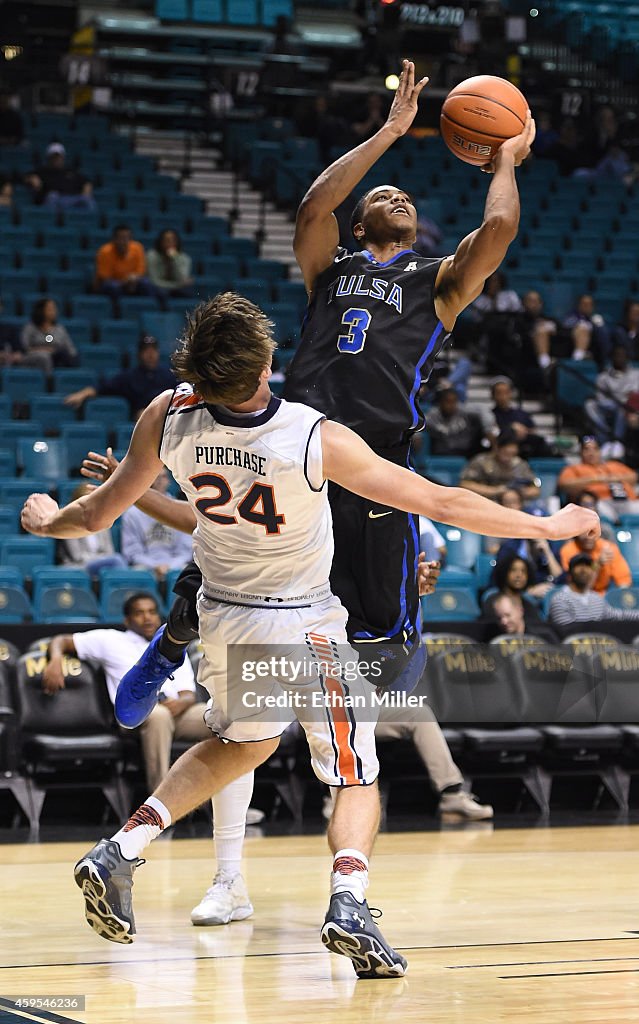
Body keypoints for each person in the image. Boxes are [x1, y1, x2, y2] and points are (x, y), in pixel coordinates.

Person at [20, 290, 598, 976]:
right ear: (266, 365)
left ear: (198, 373)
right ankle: (349, 904)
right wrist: (547, 526)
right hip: (301, 623)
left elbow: (94, 517)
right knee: (355, 774)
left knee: (242, 741)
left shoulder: (166, 414)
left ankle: (120, 850)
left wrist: (45, 520)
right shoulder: (309, 435)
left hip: (223, 615)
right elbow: (439, 501)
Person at [41, 592, 209, 792]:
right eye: (139, 613)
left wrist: (182, 702)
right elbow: (61, 640)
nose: (147, 618)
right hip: (134, 716)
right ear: (127, 620)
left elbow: (188, 693)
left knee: (220, 716)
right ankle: (159, 806)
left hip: (177, 714)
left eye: (151, 612)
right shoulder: (110, 639)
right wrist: (55, 660)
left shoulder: (172, 643)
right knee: (158, 716)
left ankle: (226, 806)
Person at [64, 335, 176, 420]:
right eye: (146, 350)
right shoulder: (130, 377)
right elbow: (103, 388)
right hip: (141, 422)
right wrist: (82, 394)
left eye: (153, 350)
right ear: (139, 354)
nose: (150, 354)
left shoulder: (168, 375)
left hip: (166, 420)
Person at [121, 469, 194, 580]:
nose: (159, 481)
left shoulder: (179, 509)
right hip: (144, 567)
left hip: (175, 566)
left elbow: (185, 550)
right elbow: (132, 552)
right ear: (146, 480)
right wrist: (154, 566)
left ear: (169, 481)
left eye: (163, 477)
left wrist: (169, 566)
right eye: (155, 476)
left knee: (190, 573)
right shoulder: (132, 513)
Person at [557, 435, 639, 522]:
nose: (591, 452)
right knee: (598, 510)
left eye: (595, 449)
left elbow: (633, 477)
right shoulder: (574, 468)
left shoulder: (614, 465)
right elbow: (564, 484)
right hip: (599, 502)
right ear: (581, 452)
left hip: (626, 500)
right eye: (586, 449)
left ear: (600, 451)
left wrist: (612, 478)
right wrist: (595, 480)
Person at [549, 553, 639, 630]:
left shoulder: (596, 598)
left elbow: (619, 615)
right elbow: (565, 631)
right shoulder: (560, 599)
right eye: (578, 566)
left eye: (587, 566)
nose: (583, 570)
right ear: (570, 573)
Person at [59, 482, 127, 575]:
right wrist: (100, 558)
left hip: (100, 563)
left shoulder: (103, 521)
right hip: (79, 566)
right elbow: (77, 556)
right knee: (116, 561)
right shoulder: (68, 523)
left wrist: (101, 559)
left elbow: (110, 551)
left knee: (116, 561)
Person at [460, 430, 541, 504]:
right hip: (487, 501)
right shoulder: (481, 462)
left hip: (515, 501)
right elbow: (465, 484)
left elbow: (535, 489)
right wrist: (496, 490)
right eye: (505, 452)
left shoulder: (520, 464)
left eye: (511, 454)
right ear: (497, 448)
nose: (508, 457)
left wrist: (521, 492)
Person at [585, 344, 639, 445]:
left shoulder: (636, 375)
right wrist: (620, 397)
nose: (619, 358)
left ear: (627, 358)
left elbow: (635, 395)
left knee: (622, 407)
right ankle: (604, 436)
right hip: (610, 405)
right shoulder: (603, 377)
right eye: (617, 355)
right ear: (612, 358)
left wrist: (623, 399)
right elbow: (600, 398)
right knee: (590, 404)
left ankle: (616, 441)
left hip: (629, 408)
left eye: (622, 356)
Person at [490, 376, 552, 459]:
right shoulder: (489, 415)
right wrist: (511, 429)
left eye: (506, 392)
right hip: (502, 449)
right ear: (493, 395)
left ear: (511, 393)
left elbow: (532, 431)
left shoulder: (521, 414)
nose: (503, 396)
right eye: (499, 393)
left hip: (524, 447)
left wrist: (524, 431)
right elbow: (491, 433)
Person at [26, 142, 96, 212]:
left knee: (87, 200)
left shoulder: (70, 171)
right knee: (52, 196)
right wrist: (32, 178)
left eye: (59, 157)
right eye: (53, 157)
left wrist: (86, 189)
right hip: (55, 198)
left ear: (63, 157)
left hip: (72, 198)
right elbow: (25, 177)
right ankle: (52, 220)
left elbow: (86, 182)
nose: (56, 159)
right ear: (48, 158)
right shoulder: (43, 171)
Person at [559, 528, 632, 595]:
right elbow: (581, 588)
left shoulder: (609, 548)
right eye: (584, 531)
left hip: (603, 598)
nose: (588, 537)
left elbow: (623, 580)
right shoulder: (568, 550)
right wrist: (597, 565)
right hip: (578, 597)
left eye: (592, 531)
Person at [95, 224, 157, 302]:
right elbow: (105, 278)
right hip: (111, 284)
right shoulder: (105, 251)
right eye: (121, 238)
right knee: (113, 286)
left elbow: (141, 271)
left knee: (146, 283)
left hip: (132, 283)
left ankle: (147, 309)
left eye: (127, 238)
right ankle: (117, 312)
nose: (124, 241)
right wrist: (125, 281)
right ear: (114, 239)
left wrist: (134, 278)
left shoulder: (138, 248)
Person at [17, 298, 77, 375]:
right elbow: (24, 348)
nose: (54, 311)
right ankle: (48, 381)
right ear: (41, 311)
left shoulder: (60, 329)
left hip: (57, 360)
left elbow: (71, 350)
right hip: (35, 359)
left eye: (55, 309)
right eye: (50, 309)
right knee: (44, 357)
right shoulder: (30, 327)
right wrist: (43, 350)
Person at [424, 383, 485, 457]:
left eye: (454, 401)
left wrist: (489, 429)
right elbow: (420, 423)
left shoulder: (464, 412)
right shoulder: (433, 414)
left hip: (465, 451)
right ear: (440, 402)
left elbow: (483, 412)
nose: (451, 405)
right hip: (443, 451)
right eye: (448, 402)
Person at [484, 552, 547, 621]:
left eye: (523, 571)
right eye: (513, 570)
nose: (519, 575)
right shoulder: (493, 601)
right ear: (504, 572)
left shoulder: (529, 604)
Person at [563, 294, 611, 367]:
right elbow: (567, 325)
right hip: (571, 348)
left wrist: (599, 326)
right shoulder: (572, 317)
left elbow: (603, 340)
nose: (587, 306)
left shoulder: (595, 319)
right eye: (584, 304)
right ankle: (577, 359)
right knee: (583, 328)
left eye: (589, 304)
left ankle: (605, 362)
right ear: (579, 305)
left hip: (593, 352)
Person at [491, 593, 559, 644]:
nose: (504, 621)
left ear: (520, 611)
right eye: (499, 618)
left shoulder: (544, 636)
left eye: (508, 615)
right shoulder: (497, 641)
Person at [146, 229, 193, 299]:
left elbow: (183, 279)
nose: (170, 243)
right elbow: (153, 281)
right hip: (158, 289)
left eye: (173, 240)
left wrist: (175, 259)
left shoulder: (185, 259)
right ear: (160, 242)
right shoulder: (151, 256)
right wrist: (176, 285)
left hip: (177, 290)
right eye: (167, 240)